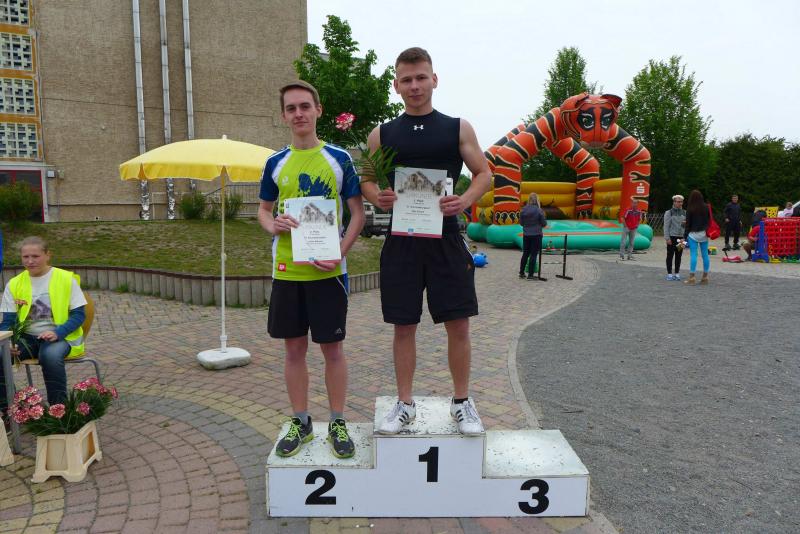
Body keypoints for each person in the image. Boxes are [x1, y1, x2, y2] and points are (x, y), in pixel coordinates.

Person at [360, 47, 491, 435]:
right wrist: (377, 198)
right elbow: (366, 180)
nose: (414, 85)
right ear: (396, 85)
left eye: (421, 77)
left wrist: (463, 201)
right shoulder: (382, 134)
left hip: (446, 239)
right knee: (403, 326)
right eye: (406, 79)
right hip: (401, 240)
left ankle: (461, 402)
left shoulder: (457, 128)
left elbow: (484, 174)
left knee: (458, 324)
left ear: (434, 79)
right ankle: (405, 404)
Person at [257, 80, 365, 459]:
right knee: (293, 351)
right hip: (288, 272)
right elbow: (263, 211)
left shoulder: (339, 158)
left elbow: (357, 214)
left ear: (318, 110)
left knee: (333, 350)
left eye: (305, 106)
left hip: (329, 274)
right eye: (291, 108)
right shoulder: (275, 163)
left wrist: (340, 252)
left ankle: (337, 421)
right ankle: (301, 421)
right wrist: (273, 225)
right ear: (283, 115)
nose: (298, 113)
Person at [0, 237, 87, 416]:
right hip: (26, 339)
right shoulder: (14, 283)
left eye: (35, 256)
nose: (30, 261)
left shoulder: (65, 278)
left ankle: (59, 412)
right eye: (25, 257)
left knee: (50, 356)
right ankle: (10, 411)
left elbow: (79, 315)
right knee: (0, 355)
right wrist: (8, 342)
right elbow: (8, 321)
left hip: (59, 337)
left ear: (48, 255)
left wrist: (58, 332)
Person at [683, 190, 711, 285]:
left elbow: (688, 224)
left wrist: (684, 236)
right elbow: (709, 220)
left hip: (693, 234)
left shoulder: (690, 208)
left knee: (693, 255)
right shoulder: (706, 207)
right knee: (705, 255)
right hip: (704, 233)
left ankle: (692, 278)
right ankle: (705, 277)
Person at [519, 193, 547, 280]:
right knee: (533, 254)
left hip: (526, 235)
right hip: (536, 235)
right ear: (537, 200)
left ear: (529, 200)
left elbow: (521, 223)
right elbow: (544, 223)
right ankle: (530, 275)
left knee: (525, 253)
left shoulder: (523, 209)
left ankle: (521, 273)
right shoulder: (539, 210)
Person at [663, 194, 686, 280]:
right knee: (670, 256)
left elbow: (687, 227)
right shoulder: (669, 212)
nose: (679, 203)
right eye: (677, 202)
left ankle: (677, 273)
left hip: (681, 238)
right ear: (674, 202)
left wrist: (685, 225)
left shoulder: (685, 212)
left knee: (679, 256)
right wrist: (667, 238)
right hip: (672, 237)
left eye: (681, 202)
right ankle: (669, 274)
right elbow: (666, 226)